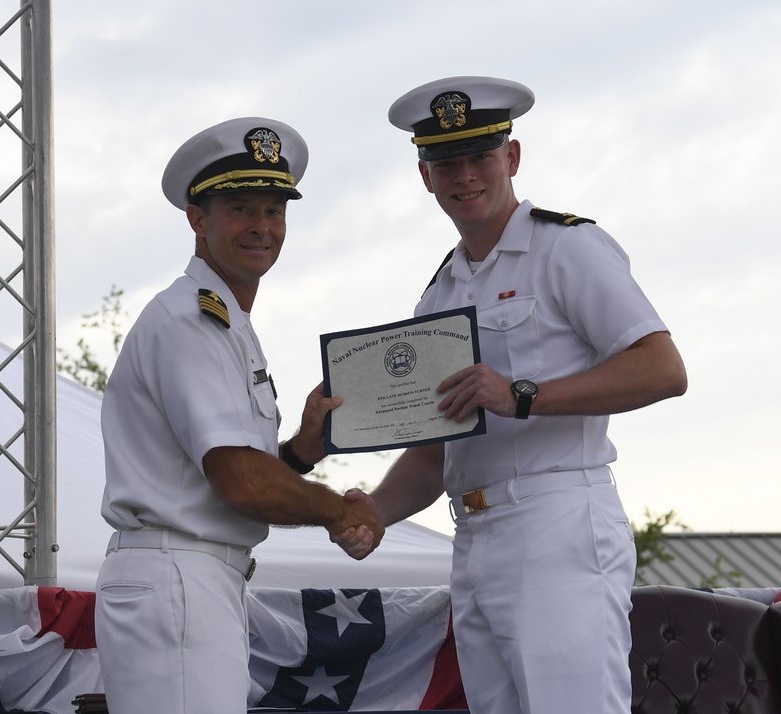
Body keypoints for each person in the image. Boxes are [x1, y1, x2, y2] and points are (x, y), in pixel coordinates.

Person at [338, 77, 688, 714]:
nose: (465, 176)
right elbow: (431, 452)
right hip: (472, 536)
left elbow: (663, 368)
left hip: (556, 521)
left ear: (513, 158)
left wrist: (522, 394)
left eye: (480, 157)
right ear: (426, 176)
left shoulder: (567, 247)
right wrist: (371, 516)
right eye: (447, 163)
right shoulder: (438, 294)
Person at [95, 117, 384, 714]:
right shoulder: (192, 322)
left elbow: (226, 474)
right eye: (241, 209)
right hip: (179, 574)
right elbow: (241, 482)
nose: (261, 226)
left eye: (274, 211)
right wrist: (338, 510)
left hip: (194, 576)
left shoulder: (225, 322)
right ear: (197, 218)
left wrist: (302, 453)